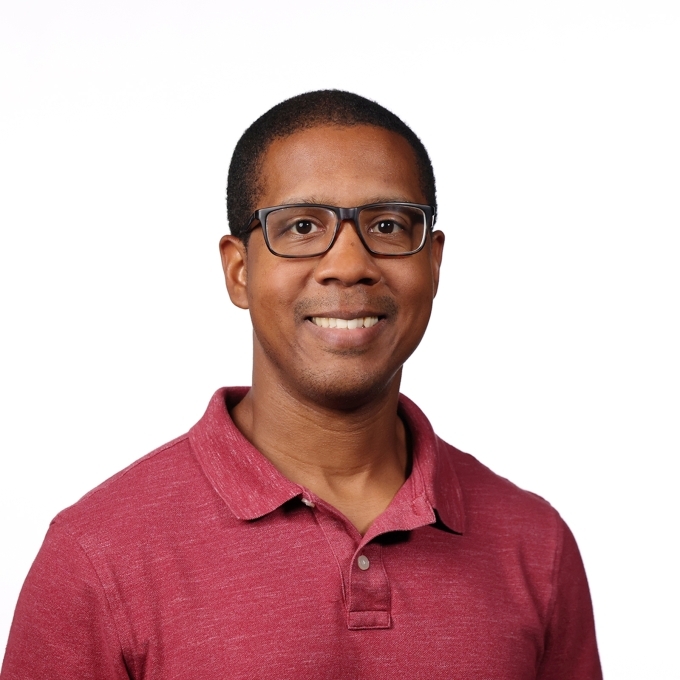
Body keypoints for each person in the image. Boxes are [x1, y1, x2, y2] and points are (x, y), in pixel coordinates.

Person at [1, 90, 602, 679]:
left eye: (389, 225)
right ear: (239, 271)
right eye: (302, 227)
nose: (348, 264)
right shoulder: (97, 553)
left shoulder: (535, 544)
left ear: (434, 263)